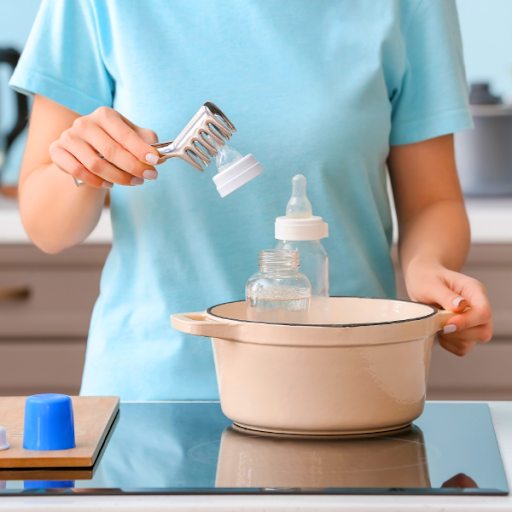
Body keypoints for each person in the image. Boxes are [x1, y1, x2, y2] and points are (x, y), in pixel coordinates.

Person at [10, 0, 492, 400]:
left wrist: (428, 267)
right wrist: (84, 167)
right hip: (152, 396)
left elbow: (432, 200)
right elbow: (46, 228)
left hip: (346, 385)